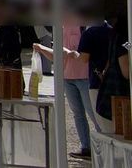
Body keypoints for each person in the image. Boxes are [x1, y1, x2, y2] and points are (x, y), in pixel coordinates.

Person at [33, 15, 96, 159]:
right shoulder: (61, 26)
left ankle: (103, 146)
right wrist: (42, 49)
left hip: (85, 75)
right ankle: (86, 147)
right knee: (77, 113)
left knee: (92, 112)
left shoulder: (85, 25)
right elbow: (57, 54)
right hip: (67, 76)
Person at [77, 17, 113, 132]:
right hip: (113, 79)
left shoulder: (89, 33)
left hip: (96, 79)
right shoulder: (112, 30)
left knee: (102, 123)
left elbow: (84, 58)